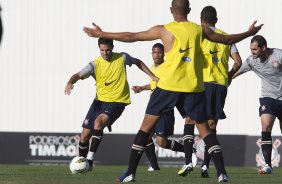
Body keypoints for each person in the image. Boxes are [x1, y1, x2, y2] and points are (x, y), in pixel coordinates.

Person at [83, 0, 262, 182]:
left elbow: (132, 36)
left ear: (171, 10)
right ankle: (222, 173)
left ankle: (130, 173)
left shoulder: (164, 30)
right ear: (189, 10)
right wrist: (250, 33)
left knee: (145, 129)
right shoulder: (200, 30)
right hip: (193, 88)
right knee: (206, 131)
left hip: (168, 87)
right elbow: (229, 39)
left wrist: (102, 33)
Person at [64, 37, 158, 171]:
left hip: (118, 101)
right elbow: (78, 75)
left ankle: (89, 161)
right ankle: (82, 165)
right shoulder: (94, 64)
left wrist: (152, 75)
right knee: (84, 135)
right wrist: (70, 82)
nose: (105, 53)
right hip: (99, 101)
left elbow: (138, 62)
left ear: (112, 48)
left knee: (98, 122)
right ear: (99, 49)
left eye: (107, 50)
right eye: (102, 50)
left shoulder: (122, 58)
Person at [177, 6, 242, 178]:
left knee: (190, 120)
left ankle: (188, 162)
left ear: (201, 20)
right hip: (220, 85)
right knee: (211, 126)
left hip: (202, 83)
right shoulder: (227, 38)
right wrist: (228, 77)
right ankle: (205, 165)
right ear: (216, 19)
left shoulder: (199, 34)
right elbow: (238, 62)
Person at [132, 43, 186, 171]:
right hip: (154, 106)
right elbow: (155, 84)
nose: (157, 55)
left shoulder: (167, 67)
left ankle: (189, 151)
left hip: (164, 106)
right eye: (155, 52)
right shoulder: (151, 68)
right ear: (151, 54)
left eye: (160, 52)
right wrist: (142, 88)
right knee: (146, 136)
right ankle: (154, 166)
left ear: (164, 54)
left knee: (161, 142)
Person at [233, 35, 282, 175]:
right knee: (265, 126)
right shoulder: (251, 61)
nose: (252, 52)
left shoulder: (278, 55)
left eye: (254, 49)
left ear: (264, 47)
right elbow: (236, 71)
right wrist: (224, 80)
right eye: (251, 49)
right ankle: (267, 165)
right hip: (268, 98)